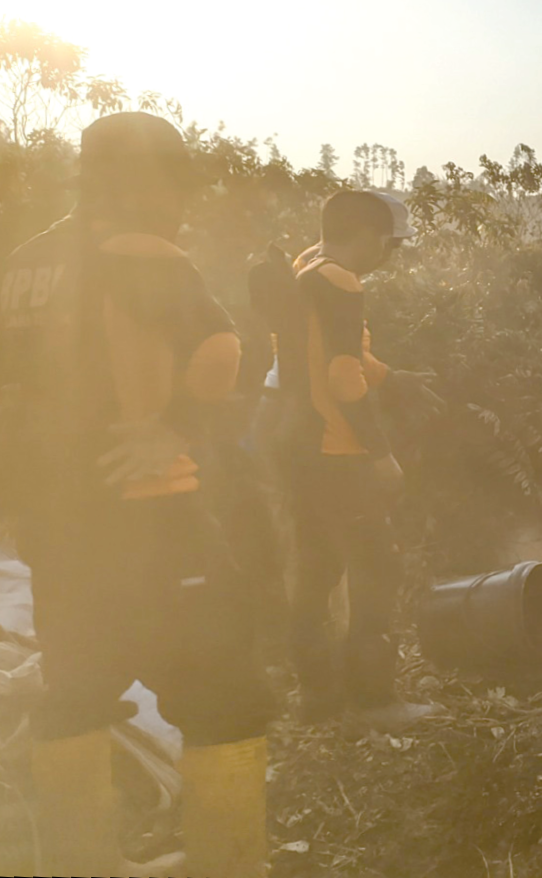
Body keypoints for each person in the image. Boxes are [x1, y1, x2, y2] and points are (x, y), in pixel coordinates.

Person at [0, 111, 273, 877]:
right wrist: (174, 426)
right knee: (224, 693)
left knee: (76, 690)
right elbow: (224, 347)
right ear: (141, 182)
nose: (180, 206)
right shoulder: (143, 252)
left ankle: (82, 864)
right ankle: (231, 865)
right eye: (174, 185)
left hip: (57, 524)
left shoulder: (25, 261)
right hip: (152, 516)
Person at [276, 189, 438, 730]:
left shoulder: (306, 267)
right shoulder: (342, 279)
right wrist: (379, 452)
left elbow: (346, 354)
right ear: (368, 236)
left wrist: (397, 380)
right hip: (336, 451)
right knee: (376, 569)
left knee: (315, 571)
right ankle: (374, 702)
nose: (388, 257)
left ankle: (318, 703)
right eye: (389, 245)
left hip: (298, 446)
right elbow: (343, 375)